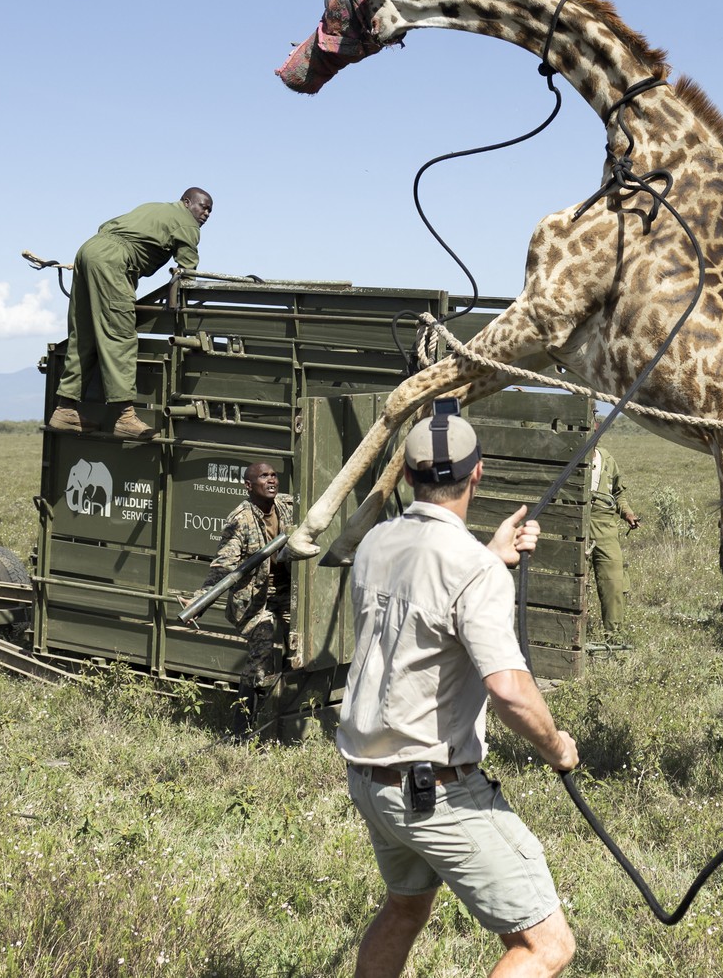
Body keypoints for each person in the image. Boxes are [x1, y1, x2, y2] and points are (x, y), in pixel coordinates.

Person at [338, 407, 578, 978]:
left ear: (410, 476)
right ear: (478, 474)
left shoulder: (374, 542)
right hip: (432, 793)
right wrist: (558, 748)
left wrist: (490, 558)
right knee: (546, 947)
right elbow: (511, 693)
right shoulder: (473, 570)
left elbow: (424, 598)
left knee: (405, 906)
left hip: (371, 780)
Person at [48, 188, 214, 440]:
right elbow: (187, 269)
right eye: (203, 207)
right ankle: (125, 416)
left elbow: (108, 225)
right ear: (187, 202)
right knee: (119, 335)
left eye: (210, 210)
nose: (206, 214)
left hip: (88, 251)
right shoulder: (186, 222)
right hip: (111, 261)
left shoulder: (154, 208)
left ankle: (65, 409)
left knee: (85, 334)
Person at [191, 460, 297, 740]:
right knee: (261, 651)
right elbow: (223, 565)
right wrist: (200, 601)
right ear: (249, 485)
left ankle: (285, 719)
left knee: (300, 647)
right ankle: (242, 729)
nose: (271, 480)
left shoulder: (287, 505)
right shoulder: (240, 518)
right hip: (255, 599)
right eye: (264, 477)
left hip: (286, 594)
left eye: (274, 475)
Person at [586, 443, 639, 633]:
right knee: (573, 582)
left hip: (605, 526)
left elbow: (618, 493)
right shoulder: (571, 457)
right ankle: (571, 631)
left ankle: (613, 636)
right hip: (576, 524)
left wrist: (627, 513)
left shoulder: (606, 458)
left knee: (614, 582)